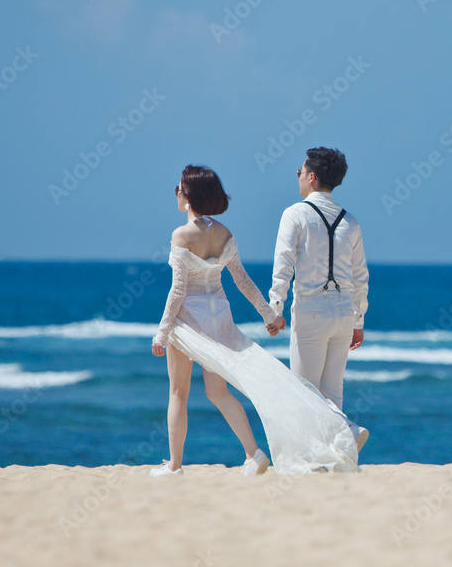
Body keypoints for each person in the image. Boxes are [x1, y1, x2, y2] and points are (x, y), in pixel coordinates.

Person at [151, 165, 359, 477]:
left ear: (191, 194)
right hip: (219, 315)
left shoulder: (181, 235)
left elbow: (178, 289)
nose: (177, 193)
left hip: (189, 319)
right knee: (217, 392)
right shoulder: (224, 234)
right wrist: (269, 314)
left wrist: (162, 332)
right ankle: (253, 454)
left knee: (178, 393)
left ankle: (175, 466)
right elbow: (243, 281)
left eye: (180, 188)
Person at [269, 147, 370, 450]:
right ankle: (335, 459)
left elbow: (283, 264)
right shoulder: (350, 221)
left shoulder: (295, 214)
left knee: (304, 393)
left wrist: (276, 307)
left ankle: (347, 431)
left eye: (299, 171)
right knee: (331, 393)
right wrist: (359, 319)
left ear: (311, 177)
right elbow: (360, 275)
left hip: (312, 310)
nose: (297, 175)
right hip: (343, 312)